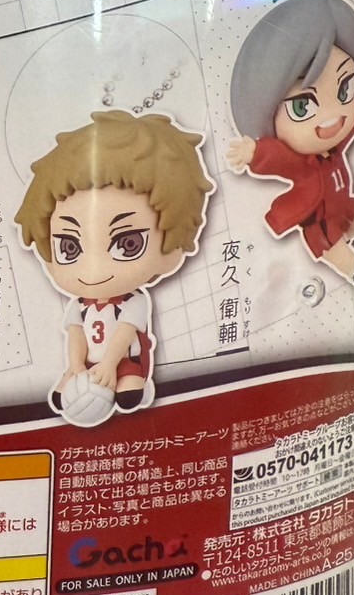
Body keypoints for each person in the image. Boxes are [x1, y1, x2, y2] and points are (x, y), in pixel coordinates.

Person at [16, 110, 213, 428]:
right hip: (88, 363)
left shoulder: (134, 301)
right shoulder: (79, 305)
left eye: (128, 243)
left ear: (173, 248)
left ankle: (135, 385)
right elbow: (75, 335)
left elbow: (124, 335)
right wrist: (76, 365)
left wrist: (109, 365)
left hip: (125, 362)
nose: (94, 270)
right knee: (68, 392)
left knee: (128, 391)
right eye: (69, 247)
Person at [227, 0, 354, 285]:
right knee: (332, 245)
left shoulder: (335, 149)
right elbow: (277, 158)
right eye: (302, 107)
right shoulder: (302, 165)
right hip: (318, 217)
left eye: (344, 90)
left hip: (342, 205)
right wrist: (254, 152)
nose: (332, 116)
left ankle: (345, 240)